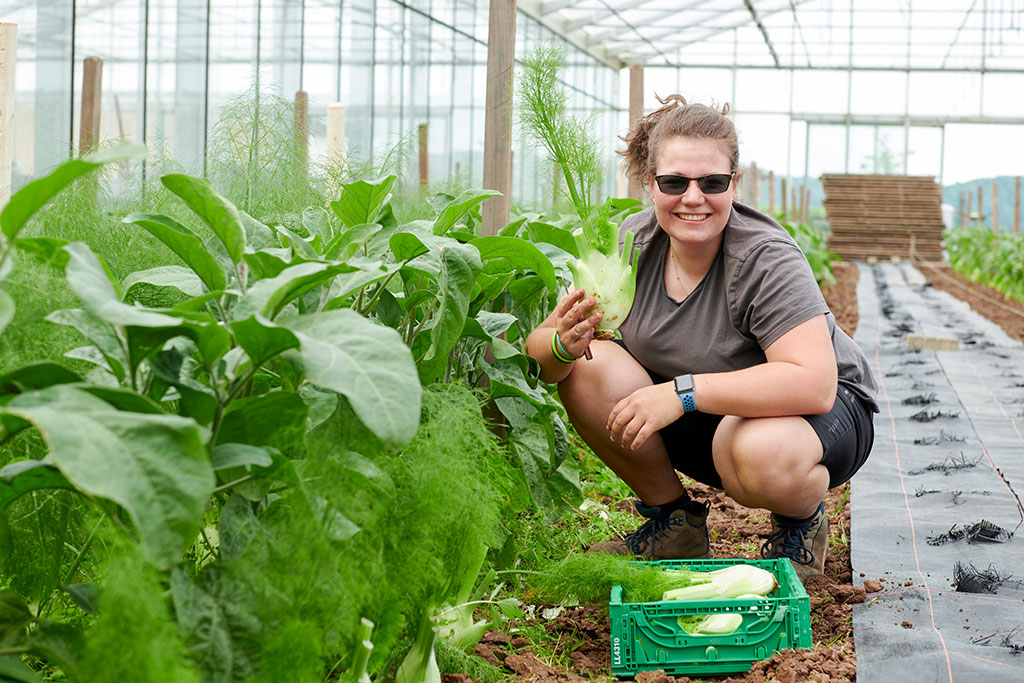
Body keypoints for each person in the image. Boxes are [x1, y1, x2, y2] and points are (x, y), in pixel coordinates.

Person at [525, 95, 878, 581]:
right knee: (589, 366)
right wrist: (564, 343)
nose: (693, 198)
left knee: (759, 451)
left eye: (711, 182)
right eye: (674, 182)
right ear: (650, 184)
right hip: (709, 414)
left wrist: (681, 392)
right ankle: (674, 525)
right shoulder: (632, 244)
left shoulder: (764, 258)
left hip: (819, 415)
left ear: (734, 184)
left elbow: (814, 383)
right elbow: (541, 351)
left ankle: (800, 522)